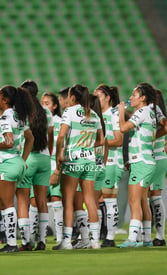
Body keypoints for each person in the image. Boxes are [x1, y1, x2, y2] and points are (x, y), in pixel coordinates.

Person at [0, 85, 34, 253]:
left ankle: (11, 243)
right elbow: (30, 138)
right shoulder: (19, 116)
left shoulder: (5, 117)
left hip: (6, 164)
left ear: (5, 100)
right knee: (17, 203)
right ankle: (23, 241)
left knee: (6, 205)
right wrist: (23, 160)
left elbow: (9, 142)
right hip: (18, 163)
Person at [55, 84, 104, 250]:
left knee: (68, 201)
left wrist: (58, 156)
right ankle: (95, 241)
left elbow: (61, 136)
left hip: (73, 160)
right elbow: (101, 140)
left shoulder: (70, 112)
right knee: (90, 200)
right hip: (90, 160)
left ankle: (67, 241)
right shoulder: (94, 114)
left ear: (73, 97)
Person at [117, 83, 158, 248]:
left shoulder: (142, 111)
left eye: (134, 95)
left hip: (142, 162)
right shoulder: (150, 112)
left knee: (134, 201)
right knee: (142, 201)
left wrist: (121, 112)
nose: (130, 98)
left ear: (143, 98)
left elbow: (123, 128)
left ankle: (133, 239)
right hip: (144, 160)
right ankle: (147, 238)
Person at [18, 80, 52, 251]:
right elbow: (51, 137)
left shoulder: (21, 113)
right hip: (45, 159)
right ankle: (42, 240)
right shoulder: (46, 112)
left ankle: (26, 242)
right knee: (42, 201)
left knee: (23, 200)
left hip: (28, 158)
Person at [94, 84, 123, 247]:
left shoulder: (113, 114)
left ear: (107, 97)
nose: (96, 98)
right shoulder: (99, 115)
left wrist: (98, 143)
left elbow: (119, 140)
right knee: (97, 199)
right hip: (102, 162)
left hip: (112, 161)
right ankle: (98, 234)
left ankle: (110, 237)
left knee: (109, 199)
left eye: (99, 95)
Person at [149, 89, 167, 246]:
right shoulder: (159, 113)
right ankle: (160, 236)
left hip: (153, 158)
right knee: (155, 197)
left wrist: (151, 137)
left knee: (144, 197)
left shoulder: (153, 111)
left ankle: (143, 235)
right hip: (161, 156)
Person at [41, 91, 63, 247]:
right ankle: (40, 238)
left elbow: (62, 148)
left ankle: (60, 237)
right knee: (38, 202)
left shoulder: (60, 122)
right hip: (42, 166)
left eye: (47, 103)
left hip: (55, 165)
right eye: (42, 103)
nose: (44, 106)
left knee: (57, 201)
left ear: (55, 106)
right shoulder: (39, 122)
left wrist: (57, 171)